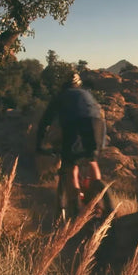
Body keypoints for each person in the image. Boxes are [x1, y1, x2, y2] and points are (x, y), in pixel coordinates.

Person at [36, 72, 107, 219]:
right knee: (92, 160)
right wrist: (101, 145)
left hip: (75, 125)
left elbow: (45, 122)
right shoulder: (86, 94)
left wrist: (39, 144)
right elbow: (98, 114)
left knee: (71, 166)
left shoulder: (61, 96)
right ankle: (99, 197)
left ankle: (75, 208)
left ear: (63, 84)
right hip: (97, 125)